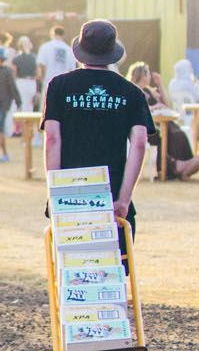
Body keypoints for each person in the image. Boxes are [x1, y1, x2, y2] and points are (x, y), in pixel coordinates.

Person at [42, 19, 153, 251]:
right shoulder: (131, 92)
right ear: (113, 52)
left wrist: (56, 194)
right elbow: (140, 143)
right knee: (112, 266)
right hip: (111, 194)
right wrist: (124, 199)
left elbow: (52, 139)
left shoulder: (59, 86)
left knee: (71, 265)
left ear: (80, 51)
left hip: (70, 193)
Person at [129, 61, 190, 178]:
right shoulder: (132, 90)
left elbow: (166, 103)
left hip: (157, 123)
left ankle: (175, 165)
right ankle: (167, 169)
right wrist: (153, 108)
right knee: (166, 134)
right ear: (142, 76)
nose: (150, 77)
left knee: (177, 134)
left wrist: (160, 84)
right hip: (142, 128)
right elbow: (135, 109)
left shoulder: (148, 91)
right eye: (148, 74)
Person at [35, 24, 75, 106]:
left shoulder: (45, 47)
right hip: (64, 85)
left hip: (49, 82)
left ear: (52, 34)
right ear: (63, 35)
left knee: (46, 109)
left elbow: (41, 67)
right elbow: (72, 70)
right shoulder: (69, 50)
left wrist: (43, 80)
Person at [12, 35, 38, 119]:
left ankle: (20, 128)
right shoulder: (35, 58)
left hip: (20, 82)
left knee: (21, 104)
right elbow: (38, 74)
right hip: (32, 83)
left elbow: (14, 74)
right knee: (29, 106)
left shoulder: (16, 58)